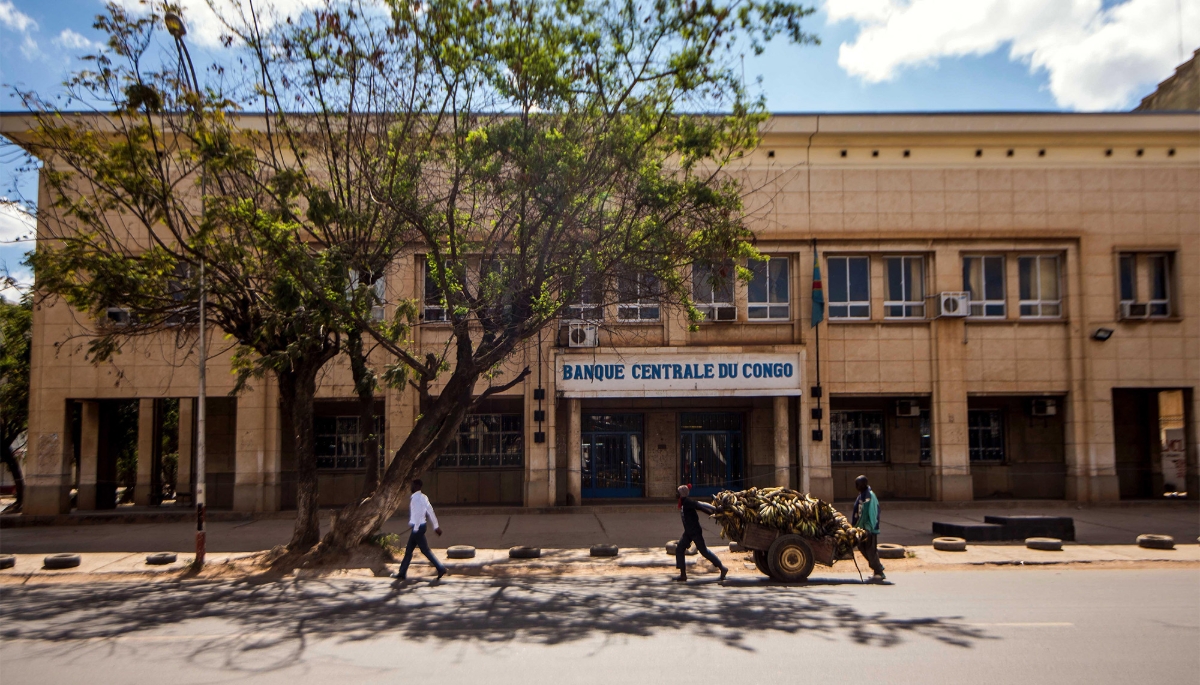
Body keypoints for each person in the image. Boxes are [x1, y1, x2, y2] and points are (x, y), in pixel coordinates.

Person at [393, 479, 448, 581]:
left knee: (424, 550)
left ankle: (440, 568)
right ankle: (402, 572)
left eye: (412, 485)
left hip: (417, 528)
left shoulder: (416, 499)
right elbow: (430, 511)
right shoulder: (423, 497)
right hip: (421, 526)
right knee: (409, 550)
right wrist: (436, 526)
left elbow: (418, 515)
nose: (411, 487)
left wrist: (416, 528)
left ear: (417, 486)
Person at [674, 484, 728, 582]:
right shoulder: (683, 503)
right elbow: (701, 508)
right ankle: (683, 575)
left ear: (682, 494)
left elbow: (701, 505)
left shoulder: (688, 502)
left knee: (704, 551)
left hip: (695, 531)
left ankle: (722, 568)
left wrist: (714, 510)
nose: (676, 494)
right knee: (679, 549)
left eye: (678, 492)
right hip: (688, 532)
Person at [851, 475, 886, 581]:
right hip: (861, 528)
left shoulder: (870, 496)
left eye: (858, 484)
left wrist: (868, 528)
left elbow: (873, 513)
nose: (856, 486)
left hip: (869, 529)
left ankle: (879, 571)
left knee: (871, 550)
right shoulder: (862, 495)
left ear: (863, 485)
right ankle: (876, 568)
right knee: (861, 547)